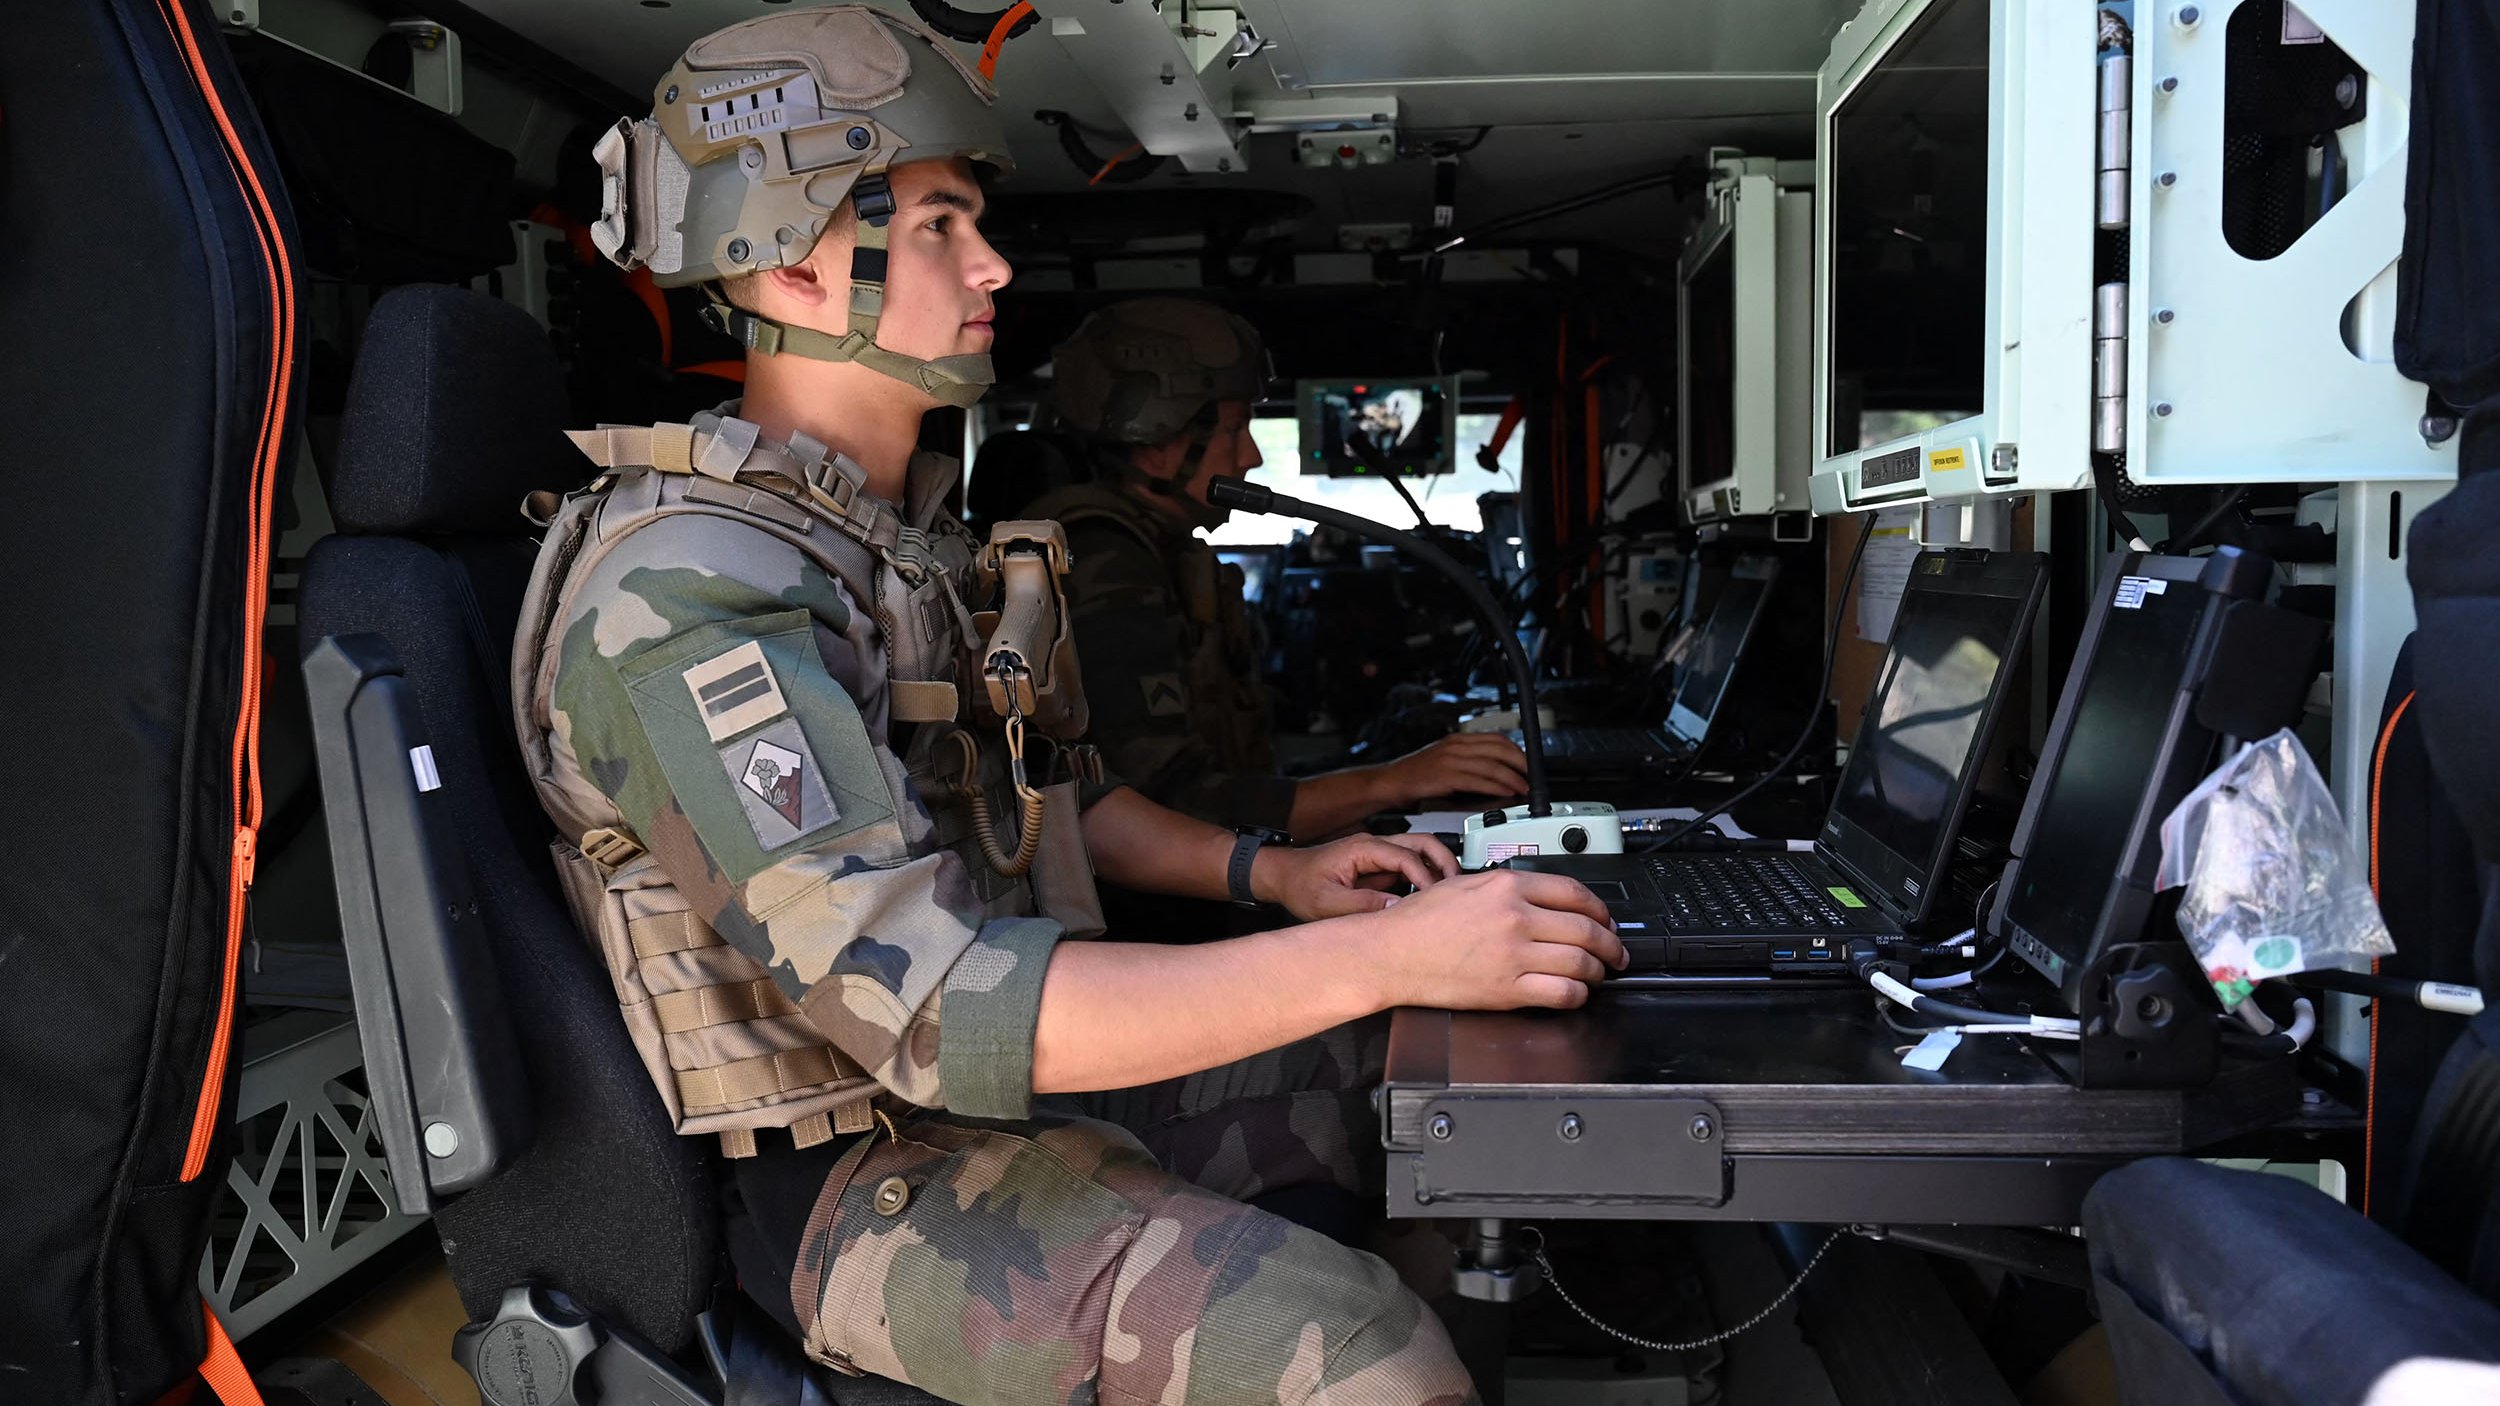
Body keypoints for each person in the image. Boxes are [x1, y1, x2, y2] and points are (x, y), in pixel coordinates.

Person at [513, 10, 1621, 1403]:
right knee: (1366, 1358)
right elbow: (920, 1005)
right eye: (936, 227)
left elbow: (1061, 796)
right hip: (849, 1184)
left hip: (975, 1096)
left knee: (1410, 1087)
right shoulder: (685, 593)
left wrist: (1275, 871)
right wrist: (1392, 952)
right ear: (791, 262)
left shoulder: (894, 546)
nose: (993, 265)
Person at [1024, 297, 1532, 839]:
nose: (1252, 458)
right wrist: (1392, 781)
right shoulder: (1103, 561)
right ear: (1158, 447)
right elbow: (1174, 804)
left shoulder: (1164, 550)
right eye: (1236, 429)